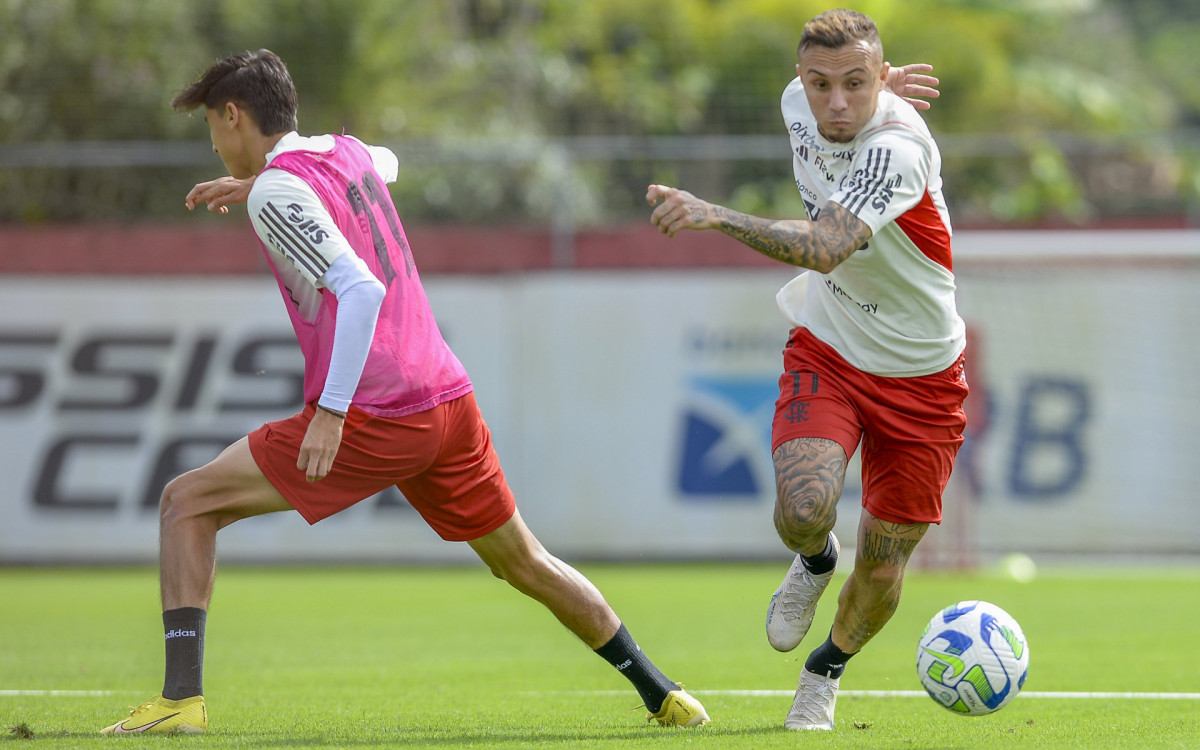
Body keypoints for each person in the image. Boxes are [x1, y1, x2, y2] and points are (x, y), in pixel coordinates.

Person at [102, 48, 708, 735]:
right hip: (448, 397)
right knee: (524, 561)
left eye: (212, 126)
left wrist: (331, 410)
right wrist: (262, 185)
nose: (213, 142)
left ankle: (181, 702)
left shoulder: (278, 190)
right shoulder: (346, 151)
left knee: (186, 503)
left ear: (235, 116)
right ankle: (663, 693)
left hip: (379, 410)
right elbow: (386, 165)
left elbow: (359, 289)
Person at [646, 9, 964, 732]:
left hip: (923, 377)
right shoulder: (801, 104)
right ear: (800, 81)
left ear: (883, 82)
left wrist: (711, 214)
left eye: (857, 85)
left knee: (882, 572)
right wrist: (865, 77)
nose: (837, 103)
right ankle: (817, 562)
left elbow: (825, 246)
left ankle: (825, 670)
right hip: (830, 343)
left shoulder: (899, 152)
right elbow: (836, 91)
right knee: (801, 512)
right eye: (822, 84)